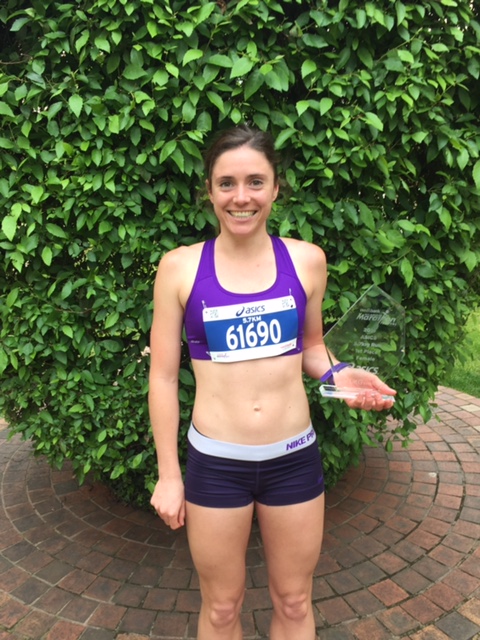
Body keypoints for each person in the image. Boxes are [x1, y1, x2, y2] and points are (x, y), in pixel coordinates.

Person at [148, 124, 396, 640]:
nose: (242, 197)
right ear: (209, 190)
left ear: (276, 187)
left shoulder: (307, 261)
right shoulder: (178, 269)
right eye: (227, 183)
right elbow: (164, 375)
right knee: (220, 609)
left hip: (293, 460)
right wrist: (170, 474)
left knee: (293, 600)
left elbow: (308, 346)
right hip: (216, 465)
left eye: (255, 182)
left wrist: (339, 373)